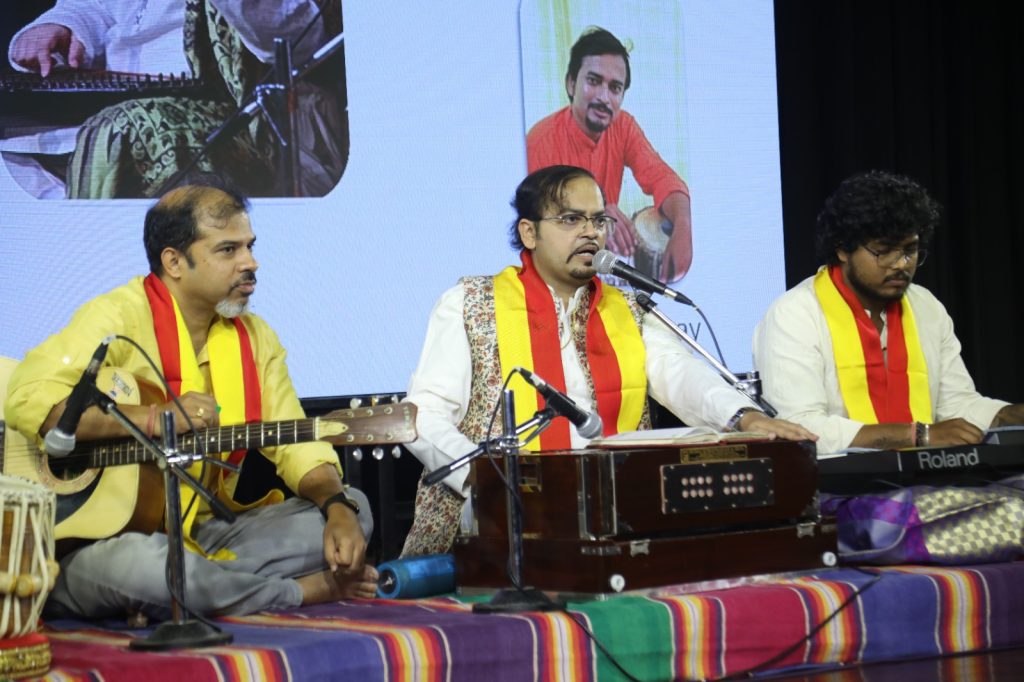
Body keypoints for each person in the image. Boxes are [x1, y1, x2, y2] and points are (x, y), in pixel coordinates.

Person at [4, 179, 376, 621]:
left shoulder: (255, 338)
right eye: (228, 250)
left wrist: (336, 506)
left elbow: (297, 446)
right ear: (174, 262)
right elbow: (28, 398)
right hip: (91, 544)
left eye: (250, 246)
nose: (250, 262)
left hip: (204, 532)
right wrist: (152, 418)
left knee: (355, 508)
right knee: (146, 568)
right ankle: (294, 592)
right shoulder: (117, 317)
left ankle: (197, 591)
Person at [400, 165, 814, 557]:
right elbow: (424, 416)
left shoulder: (630, 309)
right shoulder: (472, 303)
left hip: (611, 526)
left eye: (598, 221)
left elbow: (681, 375)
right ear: (529, 232)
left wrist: (744, 418)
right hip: (490, 530)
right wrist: (485, 480)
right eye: (570, 219)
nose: (590, 232)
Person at [753, 170, 1024, 455]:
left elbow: (957, 405)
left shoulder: (925, 306)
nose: (901, 264)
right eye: (884, 251)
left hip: (926, 471)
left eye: (910, 250)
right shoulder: (795, 314)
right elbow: (799, 427)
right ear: (842, 249)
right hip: (835, 478)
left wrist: (1010, 416)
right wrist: (917, 435)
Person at [5, 0, 345, 199]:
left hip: (235, 112)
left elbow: (301, 39)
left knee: (116, 135)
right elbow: (97, 7)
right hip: (99, 99)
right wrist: (63, 25)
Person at [526, 27, 692, 283]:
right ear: (571, 83)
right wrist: (596, 217)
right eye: (594, 81)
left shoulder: (623, 126)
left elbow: (661, 177)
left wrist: (684, 226)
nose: (604, 97)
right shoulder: (539, 143)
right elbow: (543, 230)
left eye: (615, 88)